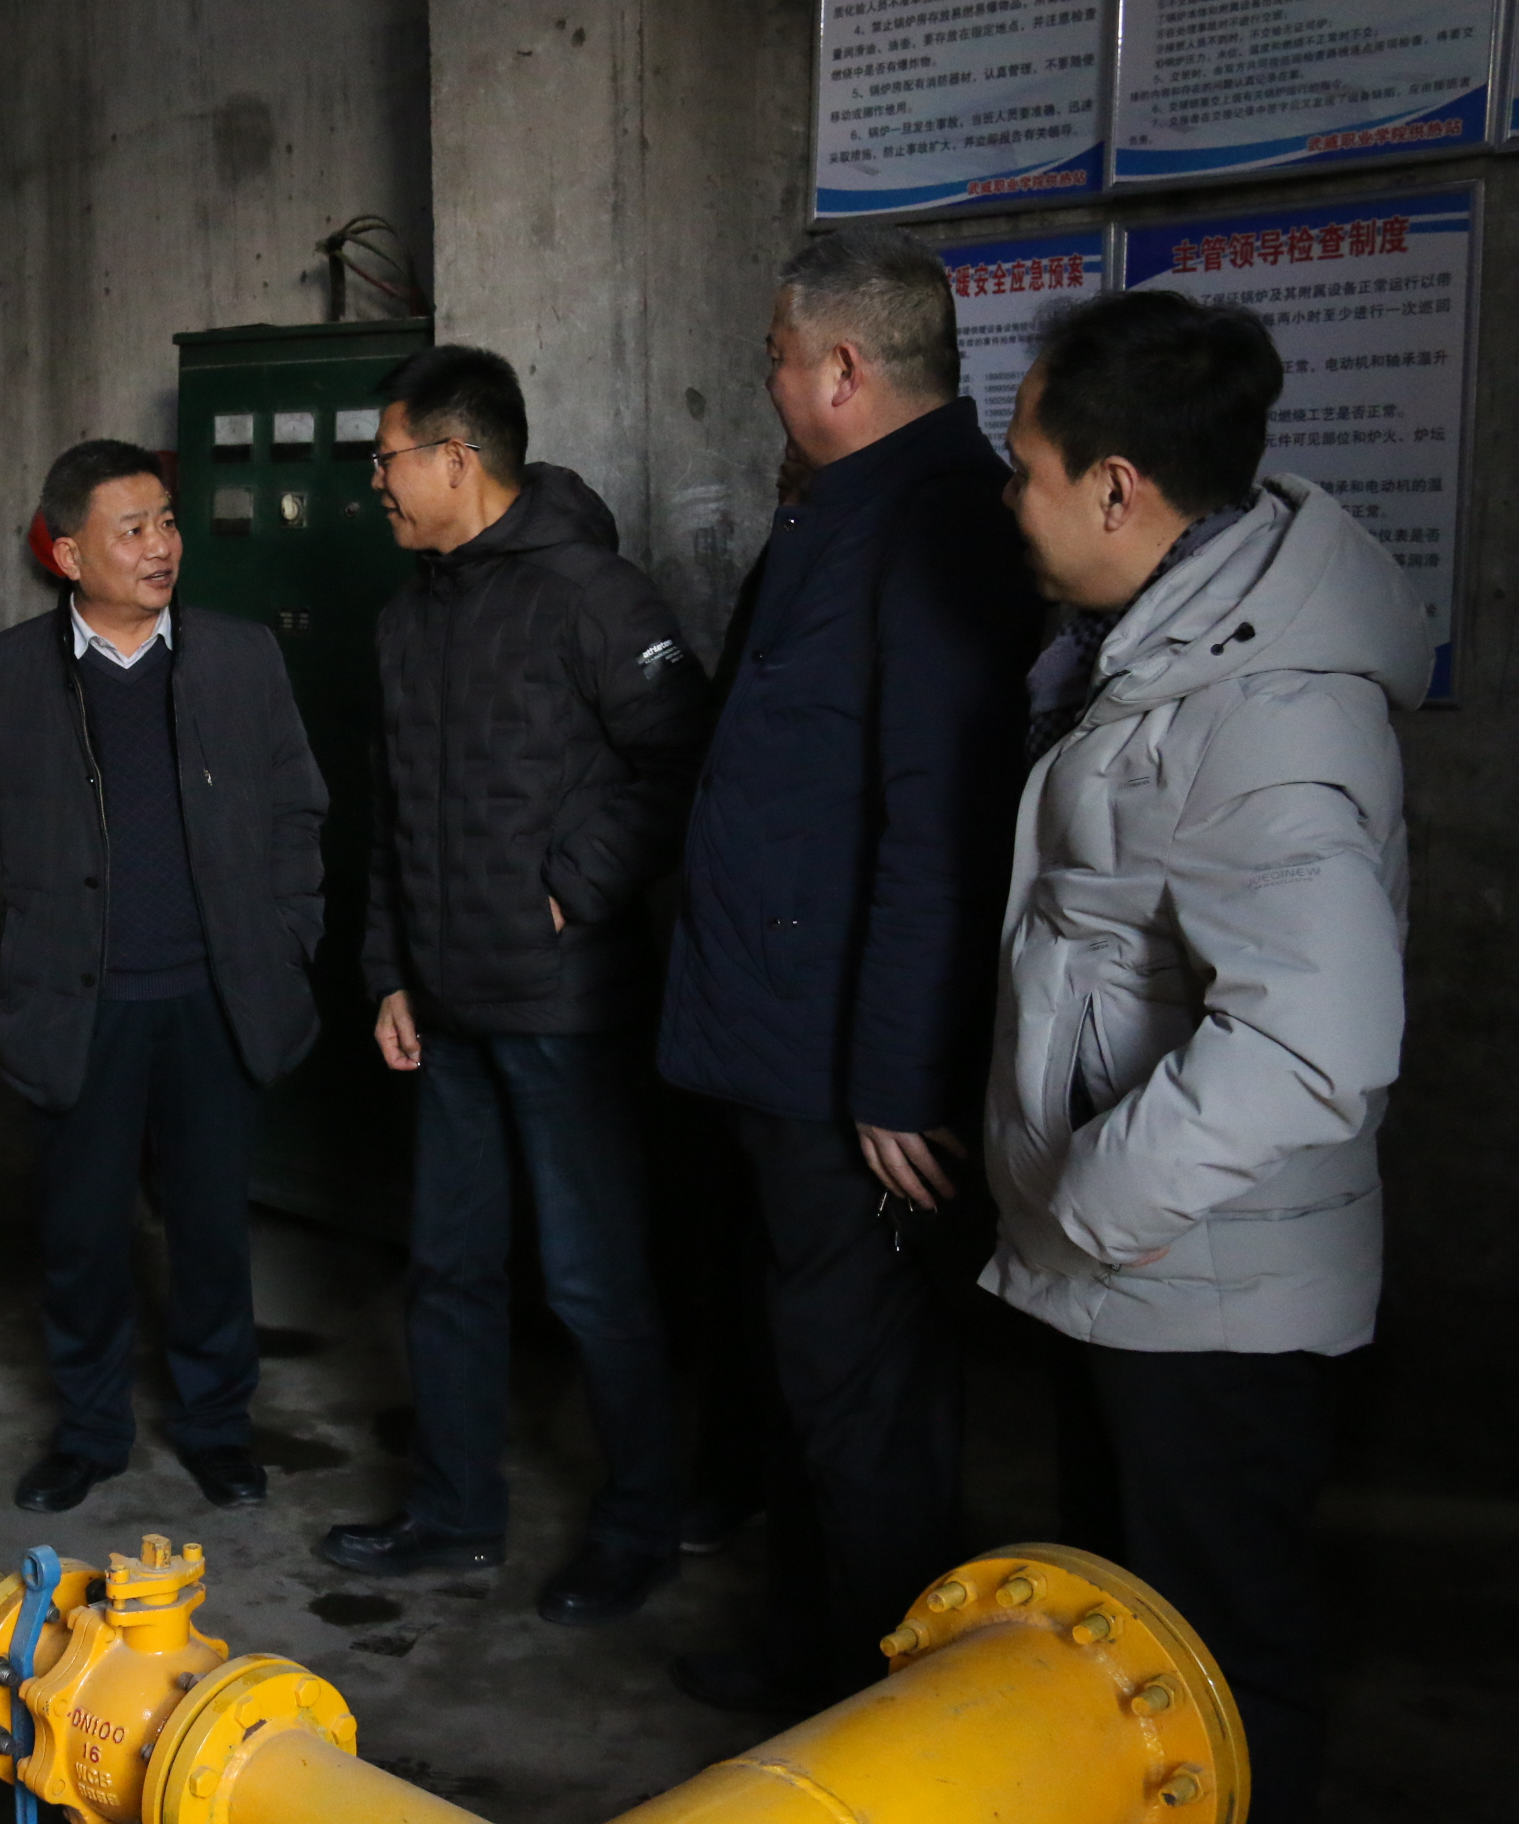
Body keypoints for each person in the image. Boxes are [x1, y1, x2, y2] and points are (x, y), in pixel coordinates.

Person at [988, 289, 1423, 1824]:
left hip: (1202, 1289)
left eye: (1027, 466)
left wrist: (1095, 1199)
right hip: (1152, 1278)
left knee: (1218, 1670)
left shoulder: (1262, 707)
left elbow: (1316, 1035)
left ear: (1118, 488)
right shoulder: (1156, 648)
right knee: (1135, 1661)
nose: (1010, 497)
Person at [658, 228, 1040, 1708]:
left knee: (867, 1402)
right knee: (809, 1380)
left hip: (848, 1078)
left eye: (773, 356)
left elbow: (938, 825)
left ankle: (882, 1713)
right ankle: (809, 1659)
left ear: (839, 367)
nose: (764, 380)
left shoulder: (940, 525)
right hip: (785, 1047)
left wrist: (895, 1081)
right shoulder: (850, 507)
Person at [319, 345, 711, 1628]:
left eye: (386, 458)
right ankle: (454, 1514)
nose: (375, 482)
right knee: (447, 1272)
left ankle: (640, 1526)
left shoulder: (592, 596)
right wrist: (388, 970)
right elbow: (393, 814)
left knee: (594, 1282)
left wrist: (570, 888)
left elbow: (684, 761)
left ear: (455, 457)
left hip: (563, 1010)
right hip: (445, 1007)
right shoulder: (406, 616)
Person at [0, 439, 327, 1515]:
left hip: (211, 997)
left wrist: (287, 937)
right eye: (131, 530)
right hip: (75, 1004)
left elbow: (297, 810)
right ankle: (91, 1433)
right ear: (68, 555)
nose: (160, 547)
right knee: (83, 1234)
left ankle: (218, 1428)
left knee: (210, 1231)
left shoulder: (240, 658)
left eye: (166, 523)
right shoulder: (0, 678)